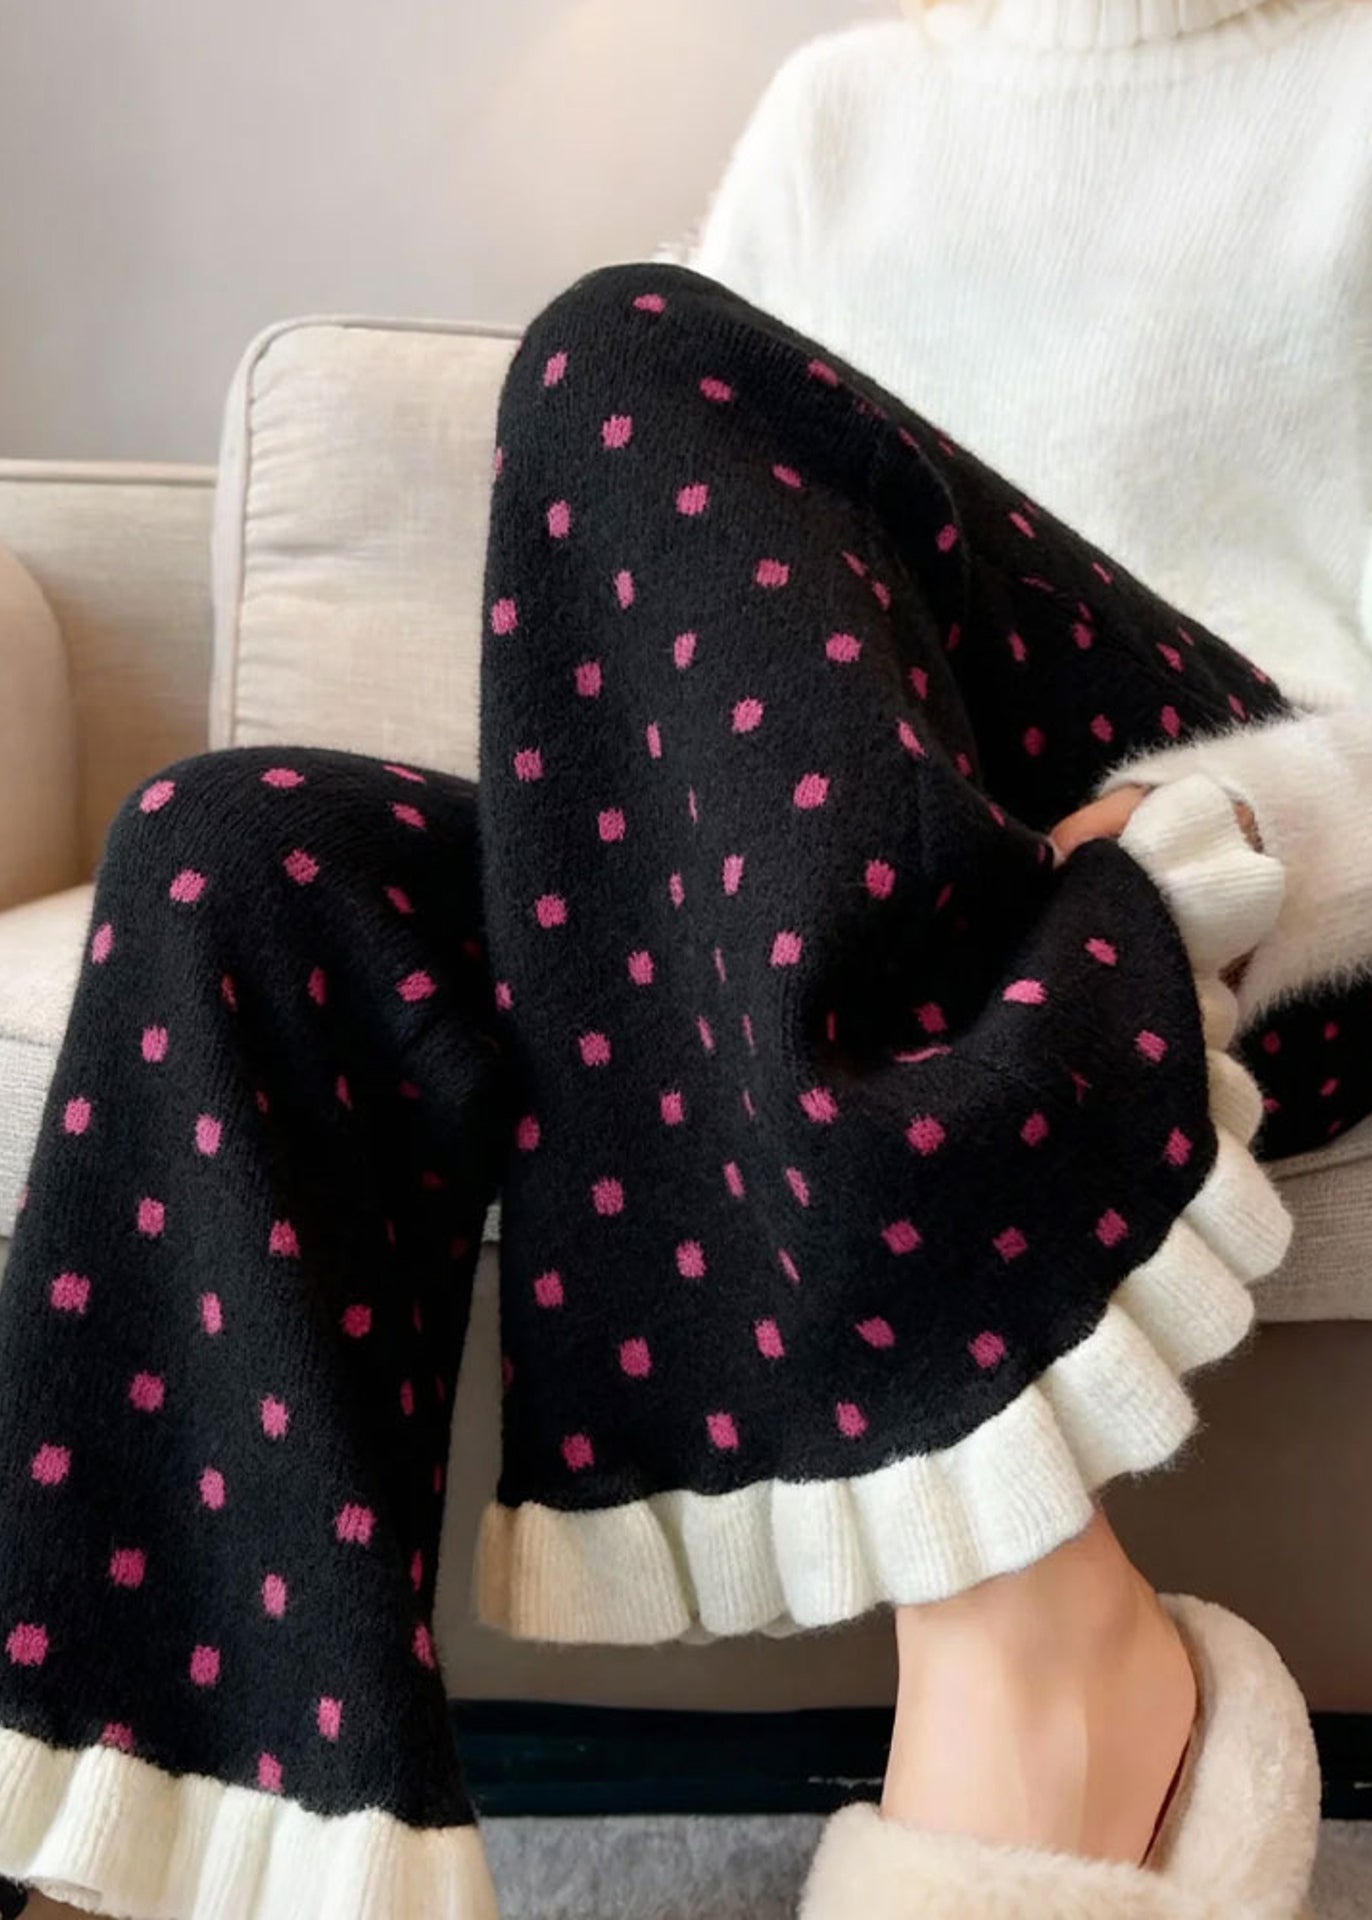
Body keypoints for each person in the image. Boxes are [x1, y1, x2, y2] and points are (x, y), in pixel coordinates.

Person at [0, 5, 1368, 1919]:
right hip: (868, 883)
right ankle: (213, 1871)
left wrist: (1229, 828)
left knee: (623, 349)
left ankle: (1038, 1648)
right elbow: (689, 625)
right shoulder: (842, 113)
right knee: (234, 856)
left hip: (1232, 905)